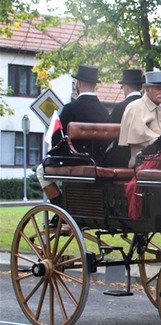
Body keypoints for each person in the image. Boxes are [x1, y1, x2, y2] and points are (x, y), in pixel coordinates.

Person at [36, 64, 111, 223]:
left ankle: (62, 211)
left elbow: (58, 139)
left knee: (41, 171)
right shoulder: (104, 111)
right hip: (99, 161)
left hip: (74, 161)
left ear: (79, 84)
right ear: (94, 85)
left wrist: (54, 155)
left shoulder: (70, 109)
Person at [118, 70, 161, 167]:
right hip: (144, 161)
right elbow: (140, 134)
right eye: (158, 89)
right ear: (147, 89)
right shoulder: (135, 107)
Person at [103, 68, 144, 166]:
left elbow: (109, 134)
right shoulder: (148, 106)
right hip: (144, 155)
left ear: (126, 87)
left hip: (123, 156)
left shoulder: (120, 107)